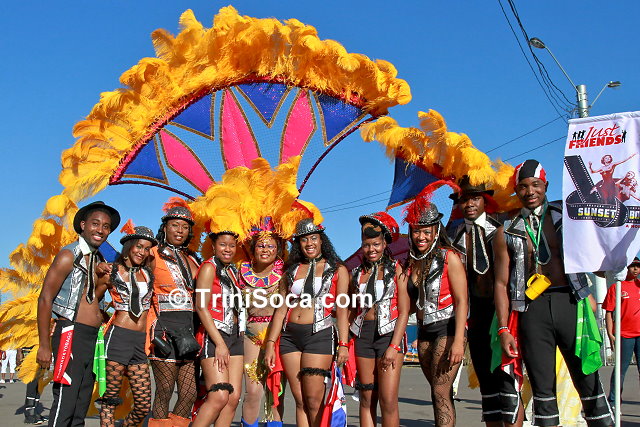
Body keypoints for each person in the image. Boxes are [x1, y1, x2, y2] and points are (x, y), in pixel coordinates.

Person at [493, 159, 612, 427]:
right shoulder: (507, 230)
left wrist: (610, 263)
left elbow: (596, 258)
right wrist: (503, 329)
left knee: (588, 380)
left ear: (546, 185)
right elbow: (501, 283)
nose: (530, 191)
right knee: (542, 388)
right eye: (523, 187)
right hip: (532, 310)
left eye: (535, 185)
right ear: (516, 190)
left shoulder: (569, 217)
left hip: (570, 302)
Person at [36, 201, 120, 427]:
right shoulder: (68, 255)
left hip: (92, 337)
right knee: (66, 400)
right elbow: (45, 299)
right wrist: (44, 345)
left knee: (82, 402)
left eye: (106, 226)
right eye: (95, 224)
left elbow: (92, 300)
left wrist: (104, 280)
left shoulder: (99, 259)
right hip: (70, 333)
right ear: (83, 225)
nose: (100, 230)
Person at [448, 176, 523, 427]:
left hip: (502, 312)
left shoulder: (502, 229)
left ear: (484, 201)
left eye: (475, 198)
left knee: (507, 379)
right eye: (464, 200)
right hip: (475, 315)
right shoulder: (455, 236)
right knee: (487, 382)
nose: (469, 204)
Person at [264, 218, 350, 427]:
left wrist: (344, 344)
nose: (309, 243)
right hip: (289, 338)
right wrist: (270, 344)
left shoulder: (337, 269)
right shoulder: (291, 271)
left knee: (314, 400)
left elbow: (342, 310)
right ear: (298, 244)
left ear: (321, 240)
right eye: (304, 239)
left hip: (320, 335)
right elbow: (281, 309)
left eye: (313, 238)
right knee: (300, 400)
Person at [404, 199, 468, 427]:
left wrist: (458, 341)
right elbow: (411, 304)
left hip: (447, 328)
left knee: (440, 391)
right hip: (424, 331)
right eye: (416, 231)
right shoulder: (413, 262)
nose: (421, 236)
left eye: (426, 231)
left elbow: (462, 301)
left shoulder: (449, 257)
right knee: (438, 391)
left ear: (436, 231)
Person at [350, 212, 409, 427]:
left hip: (388, 335)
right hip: (363, 336)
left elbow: (404, 311)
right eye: (366, 245)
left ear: (384, 244)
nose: (371, 249)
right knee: (366, 399)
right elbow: (351, 310)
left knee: (388, 400)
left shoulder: (397, 269)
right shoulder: (356, 273)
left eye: (376, 244)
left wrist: (394, 346)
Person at [146, 202, 200, 427]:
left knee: (189, 393)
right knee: (165, 390)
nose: (180, 230)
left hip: (188, 331)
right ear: (165, 227)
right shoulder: (151, 254)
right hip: (163, 330)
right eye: (175, 225)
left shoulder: (193, 258)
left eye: (185, 227)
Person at [98, 223, 157, 427]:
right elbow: (92, 299)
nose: (142, 252)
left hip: (139, 342)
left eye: (147, 248)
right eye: (139, 246)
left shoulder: (148, 273)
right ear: (129, 246)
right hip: (118, 338)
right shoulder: (111, 271)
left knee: (143, 405)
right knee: (110, 401)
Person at [193, 230, 244, 427]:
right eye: (223, 244)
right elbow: (201, 307)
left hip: (235, 335)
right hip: (214, 335)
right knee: (219, 395)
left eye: (232, 245)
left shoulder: (232, 271)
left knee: (233, 397)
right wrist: (220, 343)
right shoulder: (208, 267)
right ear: (213, 246)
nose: (228, 249)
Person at [239, 222, 286, 427]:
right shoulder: (240, 272)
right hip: (251, 336)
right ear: (253, 248)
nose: (265, 250)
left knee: (275, 392)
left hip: (279, 338)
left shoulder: (286, 273)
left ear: (278, 249)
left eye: (270, 246)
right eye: (260, 245)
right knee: (253, 392)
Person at [603, 257, 640, 408]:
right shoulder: (617, 287)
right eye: (632, 266)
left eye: (638, 266)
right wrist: (610, 333)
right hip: (624, 335)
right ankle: (614, 402)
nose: (635, 269)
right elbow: (609, 311)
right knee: (620, 369)